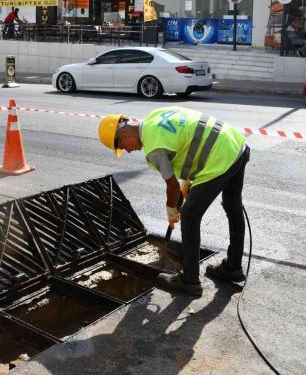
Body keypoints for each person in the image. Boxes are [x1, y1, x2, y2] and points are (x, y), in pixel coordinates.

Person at [98, 106, 250, 297]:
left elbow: (172, 187)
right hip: (236, 144)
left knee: (189, 215)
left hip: (219, 159)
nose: (126, 151)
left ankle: (190, 280)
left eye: (121, 147)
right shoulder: (155, 115)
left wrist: (172, 209)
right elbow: (188, 136)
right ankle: (233, 267)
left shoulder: (153, 149)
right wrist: (188, 179)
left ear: (124, 135)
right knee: (233, 207)